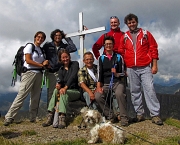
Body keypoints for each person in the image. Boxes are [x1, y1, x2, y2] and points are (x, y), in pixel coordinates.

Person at [118, 13, 163, 125]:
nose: (131, 24)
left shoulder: (145, 34)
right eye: (129, 23)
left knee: (150, 89)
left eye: (133, 22)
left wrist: (154, 64)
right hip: (131, 68)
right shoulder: (124, 37)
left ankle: (155, 115)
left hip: (145, 66)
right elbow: (121, 53)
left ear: (136, 22)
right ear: (127, 24)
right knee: (134, 91)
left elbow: (153, 48)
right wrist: (124, 68)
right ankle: (139, 114)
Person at [4, 31, 48, 126]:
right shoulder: (30, 46)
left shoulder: (41, 50)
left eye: (42, 38)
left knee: (35, 97)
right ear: (35, 37)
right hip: (29, 72)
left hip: (39, 74)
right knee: (22, 95)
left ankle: (33, 117)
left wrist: (45, 63)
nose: (40, 39)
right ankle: (9, 117)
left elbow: (42, 62)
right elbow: (28, 60)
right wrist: (41, 65)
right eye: (38, 37)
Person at [95, 36, 129, 126]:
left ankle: (124, 118)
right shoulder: (101, 58)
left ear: (113, 45)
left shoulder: (118, 57)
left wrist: (117, 73)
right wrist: (98, 87)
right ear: (104, 46)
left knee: (119, 94)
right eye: (106, 44)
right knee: (98, 96)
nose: (108, 45)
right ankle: (110, 115)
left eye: (110, 44)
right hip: (106, 83)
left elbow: (123, 72)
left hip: (117, 82)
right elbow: (99, 73)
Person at [42, 49, 80, 129]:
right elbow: (60, 80)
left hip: (75, 91)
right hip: (65, 91)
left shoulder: (75, 64)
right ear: (60, 59)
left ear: (69, 57)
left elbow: (73, 76)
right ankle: (50, 115)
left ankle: (62, 117)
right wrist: (59, 85)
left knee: (63, 92)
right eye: (63, 57)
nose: (65, 59)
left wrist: (65, 87)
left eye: (66, 57)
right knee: (56, 90)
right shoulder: (61, 70)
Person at [43, 29, 77, 106]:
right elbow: (42, 54)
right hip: (51, 72)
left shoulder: (64, 46)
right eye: (56, 35)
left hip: (62, 72)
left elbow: (73, 48)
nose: (57, 37)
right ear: (53, 36)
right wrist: (45, 62)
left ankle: (59, 111)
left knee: (62, 91)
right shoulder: (48, 45)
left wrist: (67, 38)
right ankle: (50, 111)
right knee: (51, 92)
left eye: (59, 35)